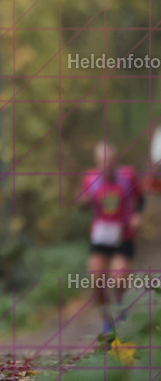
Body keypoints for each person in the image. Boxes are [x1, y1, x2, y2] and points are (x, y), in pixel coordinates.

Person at [77, 140, 144, 335]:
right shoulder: (90, 179)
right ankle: (106, 321)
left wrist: (136, 216)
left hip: (123, 234)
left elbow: (140, 199)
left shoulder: (127, 176)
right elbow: (82, 204)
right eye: (101, 161)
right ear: (96, 162)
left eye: (109, 160)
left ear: (115, 160)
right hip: (100, 235)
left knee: (119, 278)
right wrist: (83, 201)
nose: (105, 165)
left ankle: (122, 309)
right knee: (96, 279)